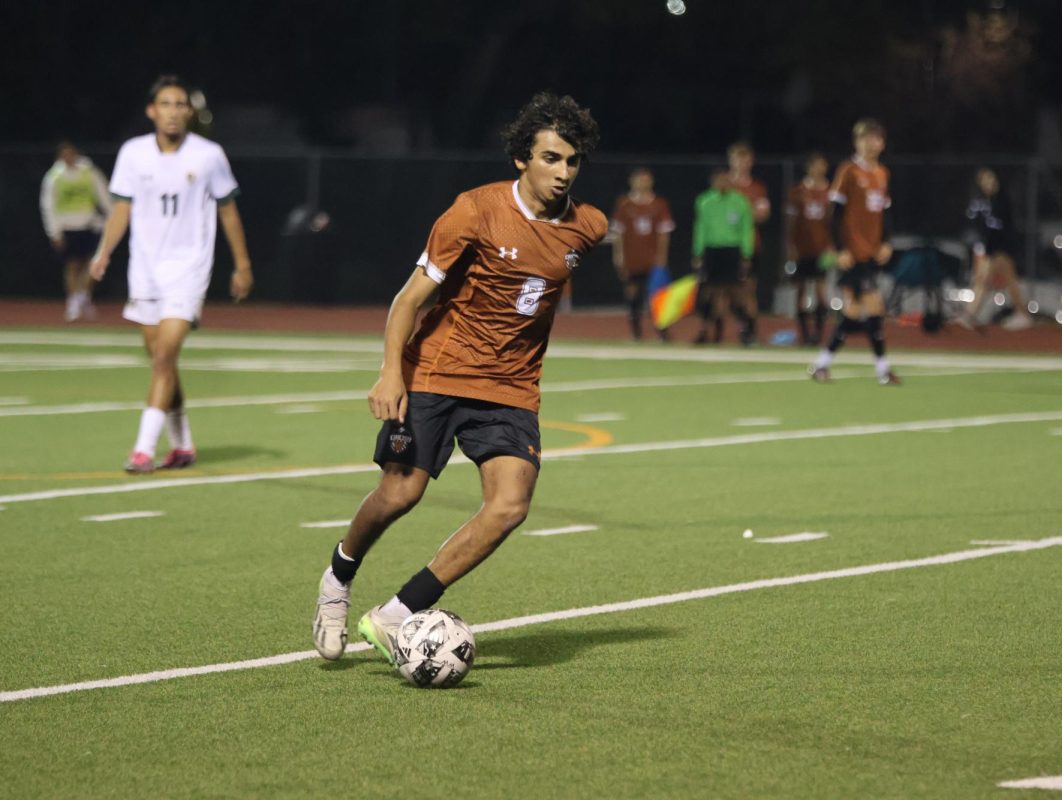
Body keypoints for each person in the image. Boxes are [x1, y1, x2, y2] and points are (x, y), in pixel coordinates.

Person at [311, 92, 607, 664]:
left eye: (572, 161)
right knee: (402, 493)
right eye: (550, 158)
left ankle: (397, 613)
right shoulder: (473, 211)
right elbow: (407, 301)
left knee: (510, 506)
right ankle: (337, 579)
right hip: (438, 372)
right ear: (522, 158)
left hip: (511, 388)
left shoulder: (587, 227)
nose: (563, 172)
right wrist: (390, 374)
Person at [90, 75, 253, 473]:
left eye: (181, 104)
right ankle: (182, 446)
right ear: (152, 111)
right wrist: (103, 252)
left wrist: (242, 264)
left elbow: (228, 211)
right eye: (166, 104)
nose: (174, 111)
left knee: (164, 356)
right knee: (162, 361)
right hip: (144, 271)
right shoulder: (132, 153)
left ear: (189, 112)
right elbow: (122, 209)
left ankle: (143, 450)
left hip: (189, 269)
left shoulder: (209, 154)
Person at [810, 119, 901, 386]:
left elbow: (885, 213)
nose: (869, 143)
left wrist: (886, 242)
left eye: (874, 138)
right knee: (873, 308)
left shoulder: (883, 173)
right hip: (852, 254)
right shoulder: (848, 171)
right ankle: (883, 370)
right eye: (863, 138)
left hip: (871, 253)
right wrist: (840, 249)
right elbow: (834, 216)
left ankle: (821, 365)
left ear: (882, 143)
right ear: (856, 142)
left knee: (853, 314)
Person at [40, 141, 112, 322]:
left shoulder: (89, 171)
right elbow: (48, 206)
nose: (68, 157)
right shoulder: (54, 177)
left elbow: (103, 195)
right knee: (72, 266)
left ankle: (82, 297)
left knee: (93, 264)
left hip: (90, 225)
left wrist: (112, 218)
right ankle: (74, 302)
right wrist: (54, 233)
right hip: (67, 228)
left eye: (71, 153)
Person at [955, 167, 1033, 331]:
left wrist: (995, 249)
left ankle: (969, 315)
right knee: (993, 281)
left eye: (990, 179)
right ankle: (1021, 314)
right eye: (984, 181)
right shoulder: (987, 202)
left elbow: (1003, 229)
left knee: (989, 281)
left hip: (1003, 249)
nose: (988, 184)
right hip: (995, 249)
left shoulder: (1001, 200)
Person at [610, 167, 675, 340]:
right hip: (632, 258)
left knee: (658, 296)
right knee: (633, 293)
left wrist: (662, 258)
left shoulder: (659, 204)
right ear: (632, 182)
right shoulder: (624, 203)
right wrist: (619, 257)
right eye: (639, 179)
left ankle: (662, 332)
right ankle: (636, 331)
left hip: (653, 259)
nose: (642, 183)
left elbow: (664, 234)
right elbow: (617, 234)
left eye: (645, 180)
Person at [691, 169, 754, 344]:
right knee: (708, 292)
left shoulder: (740, 202)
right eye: (719, 180)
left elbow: (746, 230)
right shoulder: (704, 201)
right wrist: (698, 253)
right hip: (712, 251)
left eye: (725, 180)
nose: (722, 184)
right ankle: (706, 331)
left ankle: (745, 331)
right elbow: (700, 228)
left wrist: (746, 254)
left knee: (736, 292)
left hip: (732, 250)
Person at [784, 152, 834, 345]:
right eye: (816, 165)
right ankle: (804, 334)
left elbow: (833, 222)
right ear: (809, 167)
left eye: (822, 165)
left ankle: (818, 335)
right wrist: (791, 246)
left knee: (821, 289)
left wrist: (832, 245)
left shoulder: (830, 191)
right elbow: (791, 221)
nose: (819, 169)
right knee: (801, 290)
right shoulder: (797, 191)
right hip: (802, 248)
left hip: (822, 249)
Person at [726, 141, 770, 344]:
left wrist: (740, 211)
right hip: (724, 246)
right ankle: (719, 331)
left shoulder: (757, 188)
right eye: (738, 159)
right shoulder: (724, 185)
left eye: (746, 159)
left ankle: (750, 332)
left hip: (750, 246)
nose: (742, 163)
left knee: (748, 290)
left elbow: (762, 215)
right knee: (726, 293)